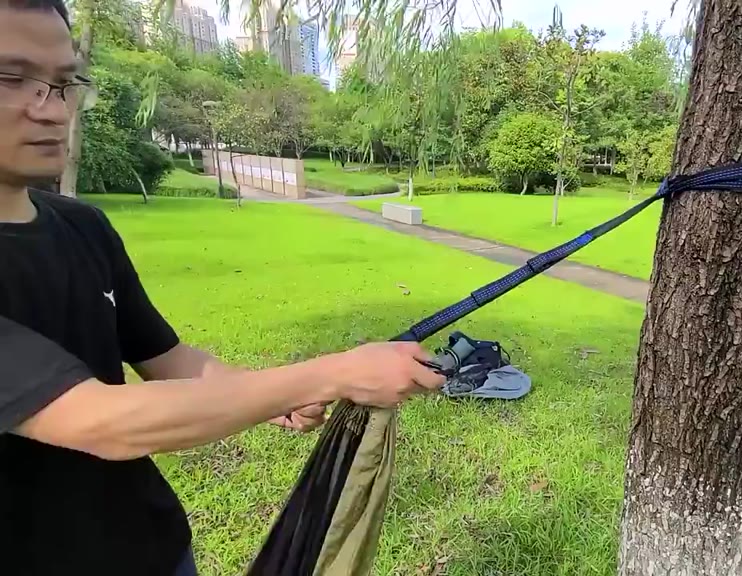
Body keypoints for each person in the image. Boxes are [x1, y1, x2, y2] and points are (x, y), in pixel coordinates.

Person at [0, 2, 447, 575]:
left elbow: (169, 359)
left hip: (155, 550)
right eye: (13, 79)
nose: (52, 110)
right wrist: (333, 372)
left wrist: (275, 396)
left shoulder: (82, 227)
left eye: (64, 83)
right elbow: (101, 421)